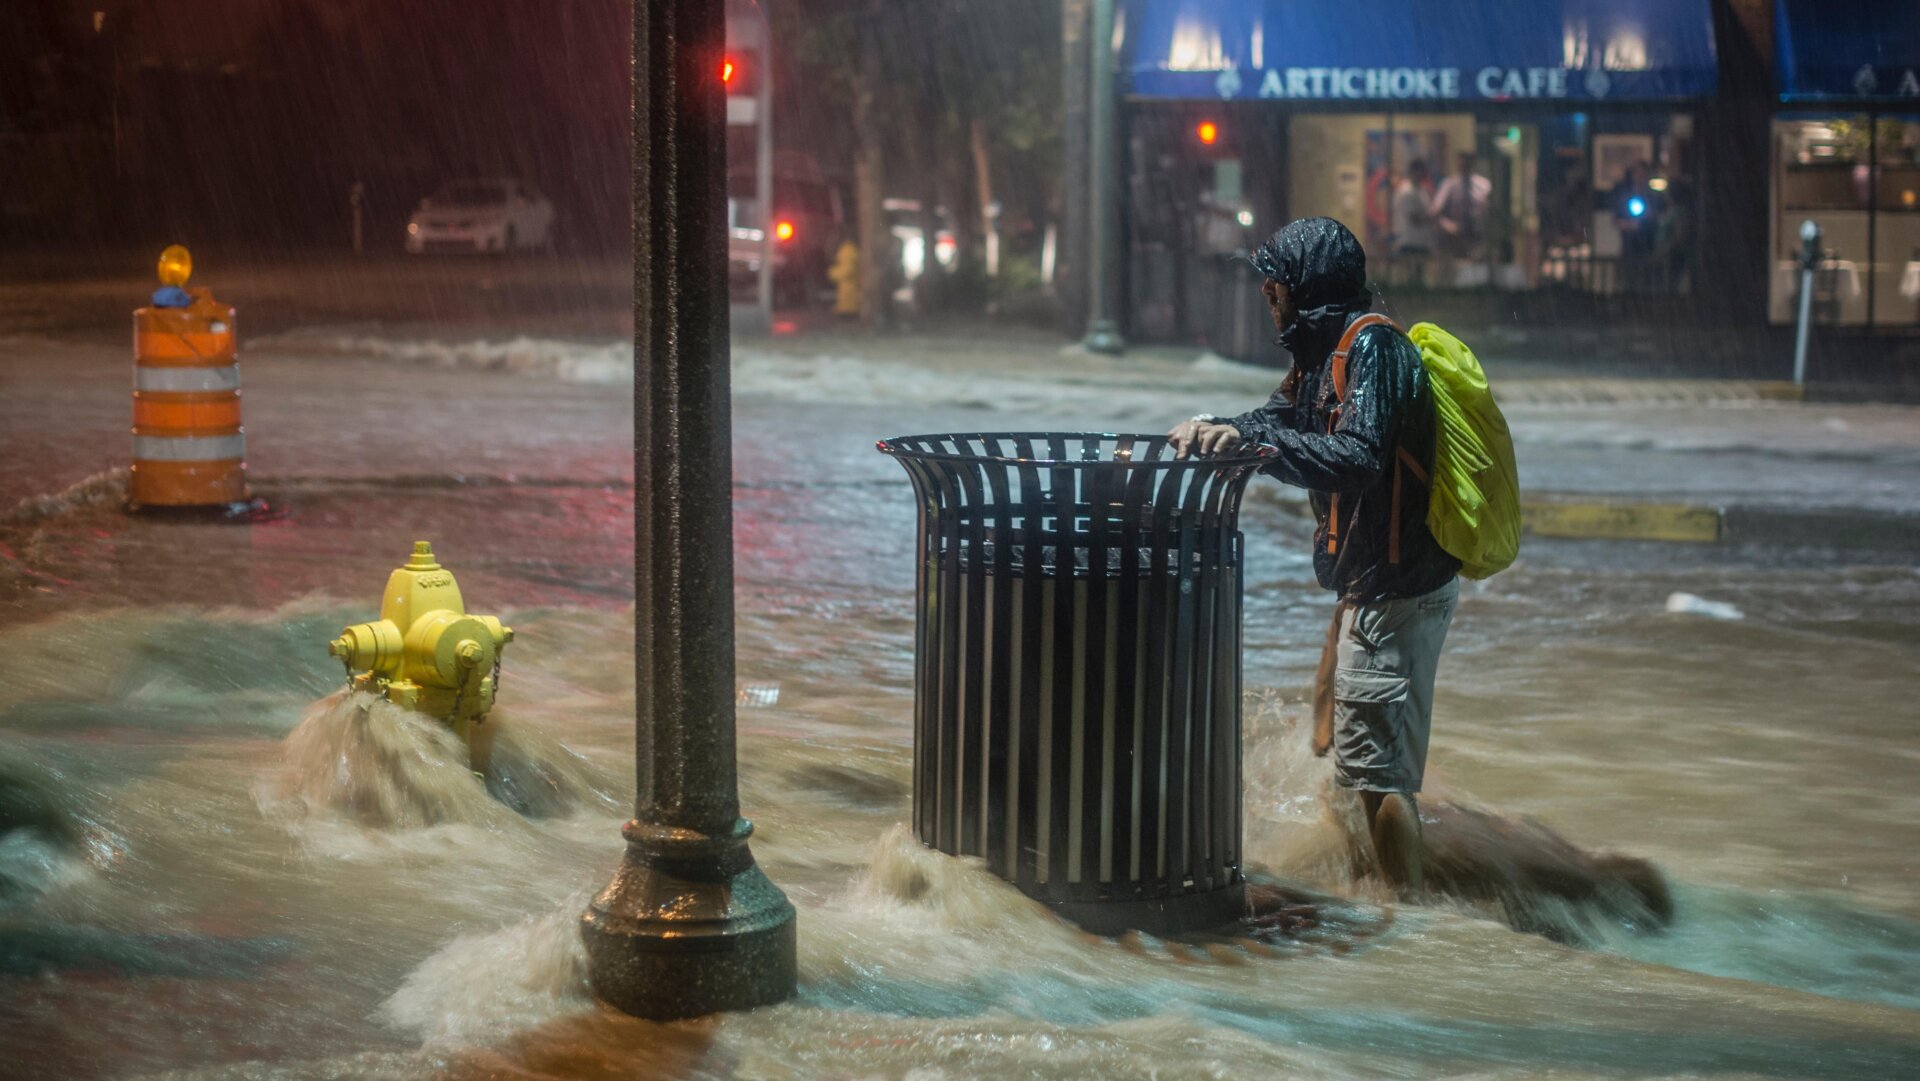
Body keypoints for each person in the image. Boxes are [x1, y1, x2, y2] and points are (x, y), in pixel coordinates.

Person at [1166, 217, 1460, 897]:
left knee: (1379, 777)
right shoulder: (1322, 356)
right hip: (1368, 589)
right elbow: (1278, 419)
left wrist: (1265, 454)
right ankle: (1368, 889)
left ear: (1309, 286)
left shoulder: (1374, 349)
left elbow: (1359, 456)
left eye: (1277, 284)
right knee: (1347, 757)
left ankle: (1409, 923)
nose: (1269, 296)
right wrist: (1226, 429)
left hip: (1398, 590)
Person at [1430, 151, 1490, 283]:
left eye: (1467, 164)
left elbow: (1488, 210)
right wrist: (1448, 225)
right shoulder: (1449, 185)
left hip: (1476, 235)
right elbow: (1435, 212)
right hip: (1454, 237)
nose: (1464, 167)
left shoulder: (1483, 185)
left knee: (1475, 272)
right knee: (1455, 272)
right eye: (1462, 164)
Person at [1390, 159, 1435, 285]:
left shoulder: (1421, 190)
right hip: (1409, 241)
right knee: (1410, 279)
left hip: (1421, 241)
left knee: (1419, 278)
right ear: (1414, 171)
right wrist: (1431, 217)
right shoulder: (1406, 191)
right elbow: (1414, 218)